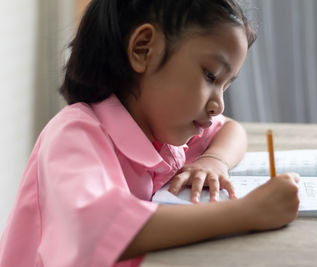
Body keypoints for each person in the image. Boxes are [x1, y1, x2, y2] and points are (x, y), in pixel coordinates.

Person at [0, 0, 300, 266]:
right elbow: (97, 227)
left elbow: (232, 130)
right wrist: (247, 212)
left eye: (226, 84)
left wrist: (214, 161)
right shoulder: (74, 135)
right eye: (210, 75)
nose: (218, 103)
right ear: (144, 49)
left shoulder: (161, 130)